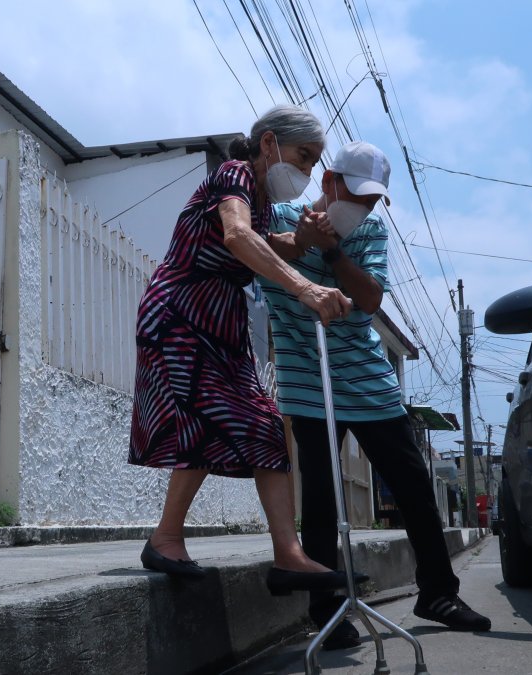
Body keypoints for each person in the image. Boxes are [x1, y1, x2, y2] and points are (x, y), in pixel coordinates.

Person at [258, 141, 492, 647]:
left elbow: (368, 299)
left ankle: (438, 592)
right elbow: (255, 252)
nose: (360, 207)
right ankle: (327, 612)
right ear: (328, 181)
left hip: (367, 380)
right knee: (321, 497)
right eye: (354, 195)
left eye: (369, 200)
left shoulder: (368, 231)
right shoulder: (277, 214)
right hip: (306, 378)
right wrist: (299, 242)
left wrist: (333, 251)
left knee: (412, 487)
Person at [129, 105, 361, 595]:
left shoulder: (256, 196)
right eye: (303, 157)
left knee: (262, 427)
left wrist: (304, 239)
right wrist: (306, 289)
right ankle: (168, 539)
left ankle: (287, 555)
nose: (306, 171)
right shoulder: (234, 174)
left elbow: (267, 241)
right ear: (269, 142)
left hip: (219, 323)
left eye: (313, 163)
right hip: (182, 313)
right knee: (201, 418)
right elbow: (237, 236)